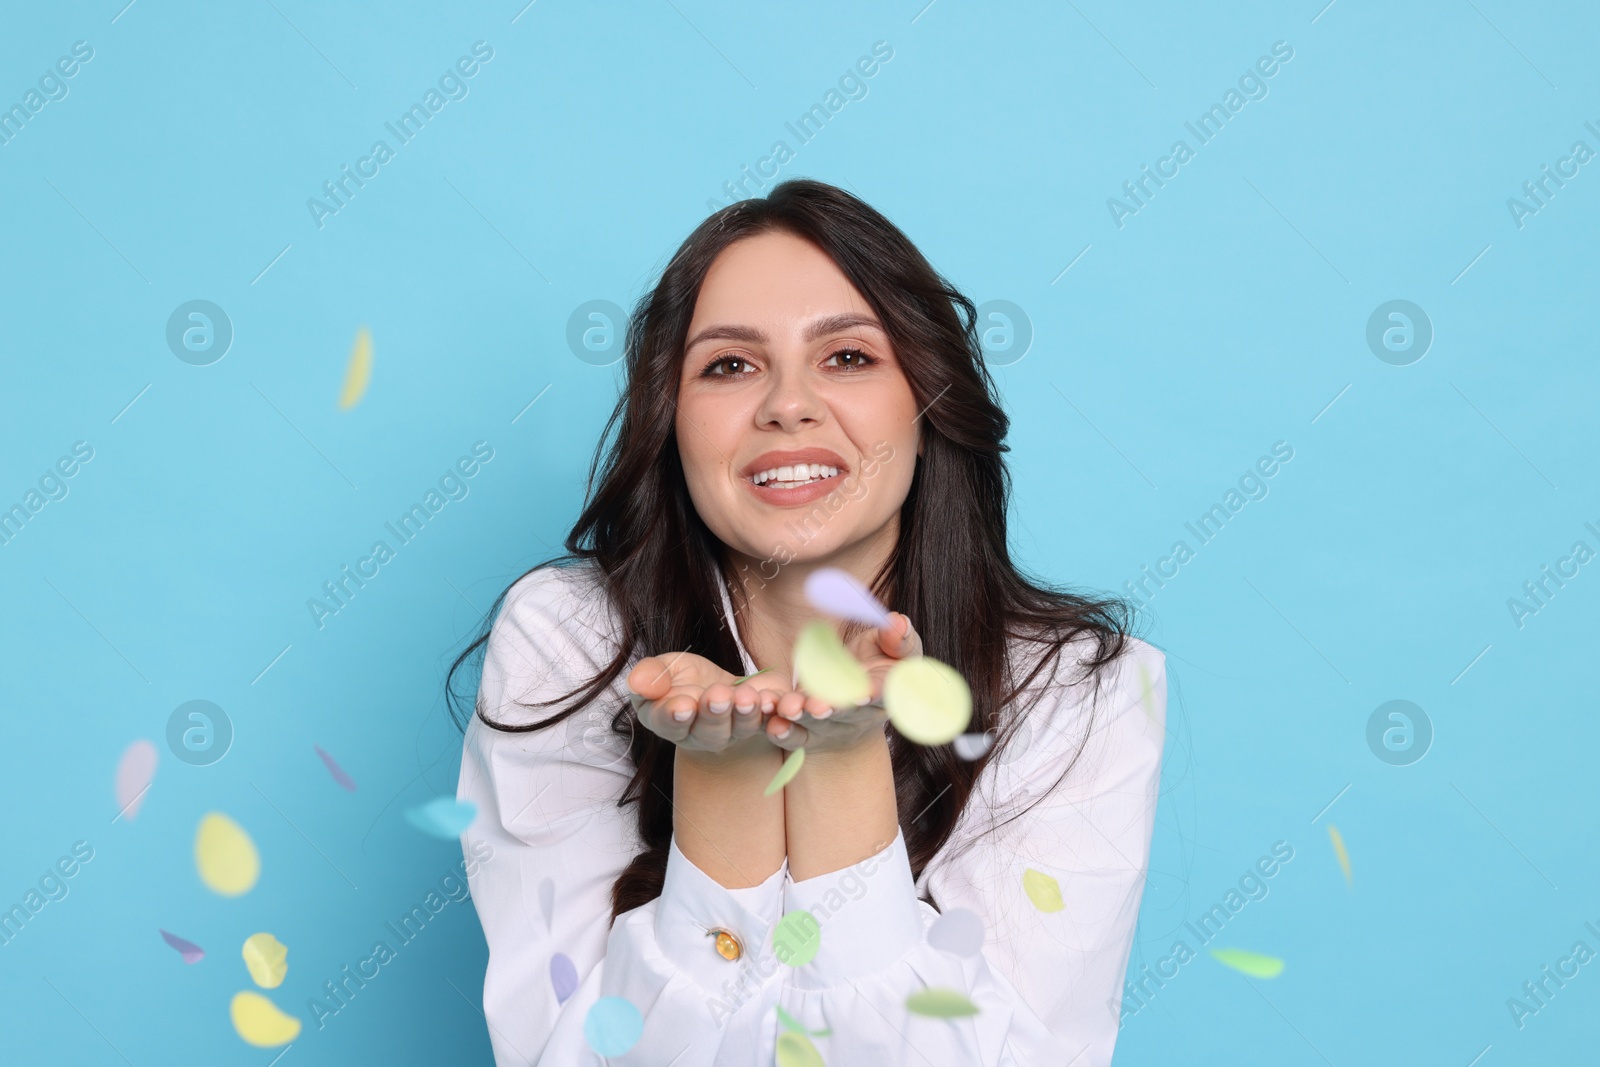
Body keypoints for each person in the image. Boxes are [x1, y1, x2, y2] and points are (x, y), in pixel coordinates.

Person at [447, 178, 1167, 1066]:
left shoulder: (1076, 688)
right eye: (730, 365)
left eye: (849, 357)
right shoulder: (572, 646)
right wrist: (726, 779)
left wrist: (838, 764)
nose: (788, 403)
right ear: (671, 421)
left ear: (929, 399)